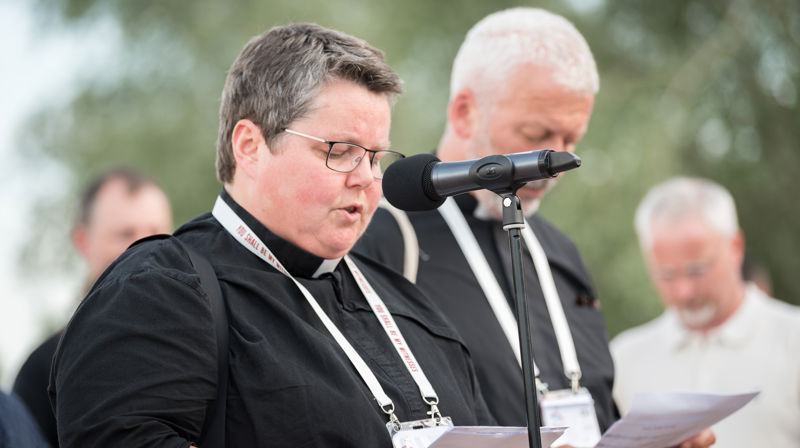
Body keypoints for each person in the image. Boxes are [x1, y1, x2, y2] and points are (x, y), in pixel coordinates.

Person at [49, 23, 492, 447]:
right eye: (340, 152)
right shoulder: (158, 293)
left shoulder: (411, 308)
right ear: (250, 147)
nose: (367, 179)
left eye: (375, 157)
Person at [357, 8, 714, 448]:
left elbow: (596, 407)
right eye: (536, 133)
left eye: (571, 140)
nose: (556, 164)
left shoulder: (560, 251)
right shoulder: (383, 241)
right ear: (465, 112)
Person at [611, 176, 800, 447]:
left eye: (697, 270)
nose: (684, 291)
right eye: (666, 274)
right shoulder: (623, 359)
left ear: (735, 247)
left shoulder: (794, 340)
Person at [12, 167, 172, 447]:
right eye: (125, 234)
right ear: (83, 241)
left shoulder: (206, 348)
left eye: (157, 232)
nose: (146, 247)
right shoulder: (42, 370)